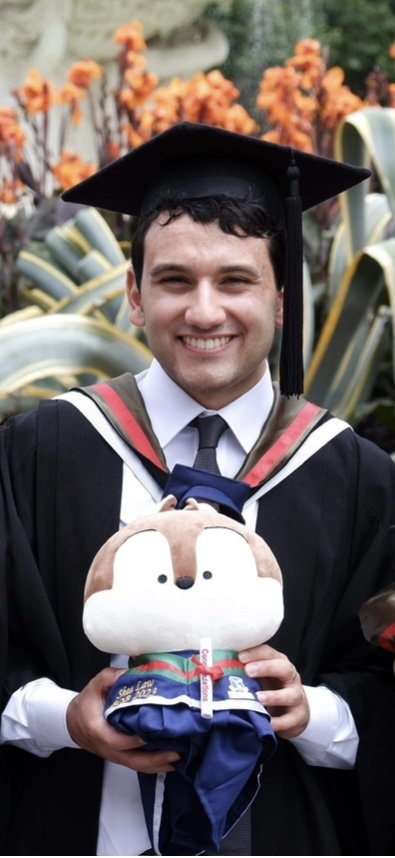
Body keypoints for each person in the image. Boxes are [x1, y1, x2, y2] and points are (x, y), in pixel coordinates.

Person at [1, 121, 395, 856]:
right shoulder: (38, 454)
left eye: (235, 281)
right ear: (133, 295)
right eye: (174, 280)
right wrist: (60, 717)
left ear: (281, 298)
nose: (204, 312)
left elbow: (381, 682)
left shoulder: (359, 480)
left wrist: (314, 711)